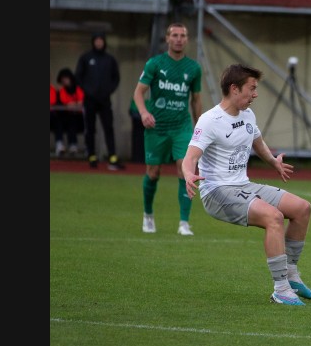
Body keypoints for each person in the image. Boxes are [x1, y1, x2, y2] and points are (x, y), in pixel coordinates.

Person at [182, 63, 311, 307]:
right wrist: (188, 175)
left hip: (243, 185)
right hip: (217, 192)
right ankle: (281, 289)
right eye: (251, 89)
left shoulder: (248, 115)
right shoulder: (210, 120)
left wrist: (273, 162)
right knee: (273, 217)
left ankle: (291, 273)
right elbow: (191, 156)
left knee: (302, 208)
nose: (255, 94)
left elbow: (258, 142)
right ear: (234, 89)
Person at [132, 23, 204, 236]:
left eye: (183, 35)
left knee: (186, 170)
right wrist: (144, 113)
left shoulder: (194, 68)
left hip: (182, 128)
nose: (179, 39)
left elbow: (196, 100)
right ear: (167, 39)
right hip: (157, 128)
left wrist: (200, 127)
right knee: (153, 173)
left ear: (187, 39)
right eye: (175, 35)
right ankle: (148, 215)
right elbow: (138, 93)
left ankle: (184, 223)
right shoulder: (155, 64)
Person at [75, 31, 124, 170]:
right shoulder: (86, 58)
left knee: (108, 127)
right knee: (90, 128)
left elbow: (116, 78)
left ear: (104, 42)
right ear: (93, 42)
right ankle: (91, 155)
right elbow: (78, 76)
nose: (98, 43)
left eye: (101, 40)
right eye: (96, 40)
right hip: (89, 99)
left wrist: (108, 90)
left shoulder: (110, 59)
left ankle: (112, 156)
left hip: (104, 100)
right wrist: (87, 90)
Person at [50, 68, 85, 157]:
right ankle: (60, 145)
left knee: (71, 120)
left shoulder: (78, 89)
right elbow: (64, 104)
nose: (64, 81)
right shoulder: (61, 91)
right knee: (59, 120)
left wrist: (74, 105)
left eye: (65, 78)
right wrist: (72, 105)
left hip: (79, 119)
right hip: (63, 118)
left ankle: (73, 145)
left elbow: (81, 103)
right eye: (62, 79)